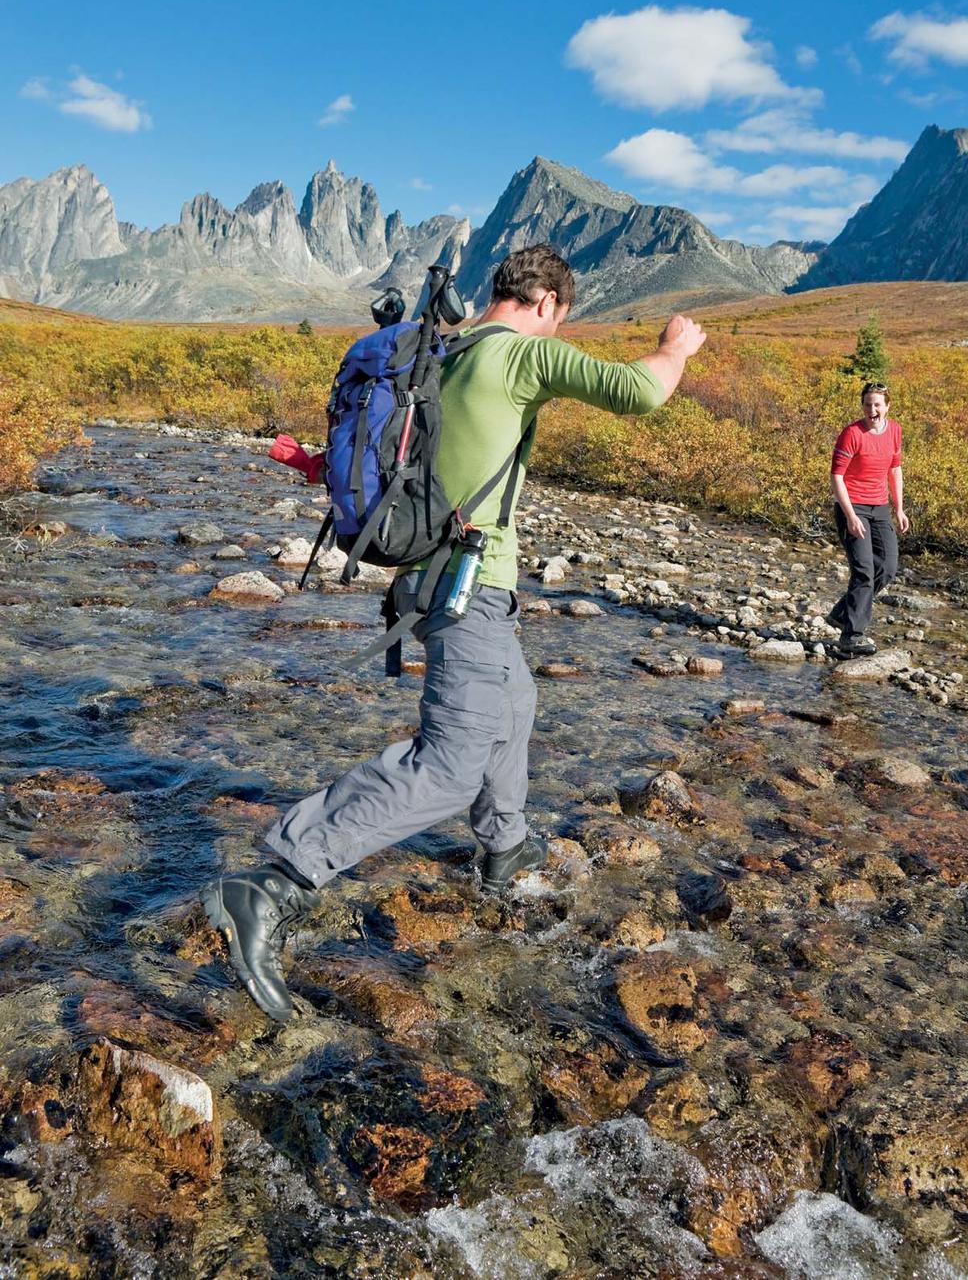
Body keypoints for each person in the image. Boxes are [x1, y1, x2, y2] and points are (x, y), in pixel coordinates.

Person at [202, 244, 707, 1021]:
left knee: (515, 704)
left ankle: (505, 849)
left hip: (446, 581)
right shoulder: (516, 354)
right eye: (558, 319)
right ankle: (273, 882)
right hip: (465, 587)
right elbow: (640, 391)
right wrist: (674, 347)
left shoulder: (445, 346)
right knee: (450, 761)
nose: (553, 329)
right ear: (545, 303)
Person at [827, 381, 909, 655]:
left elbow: (895, 469)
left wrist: (899, 508)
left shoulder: (895, 430)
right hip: (853, 507)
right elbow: (836, 477)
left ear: (887, 406)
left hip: (880, 508)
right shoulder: (852, 433)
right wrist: (850, 515)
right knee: (863, 570)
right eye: (867, 404)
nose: (872, 410)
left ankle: (841, 613)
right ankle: (851, 636)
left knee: (886, 568)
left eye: (877, 405)